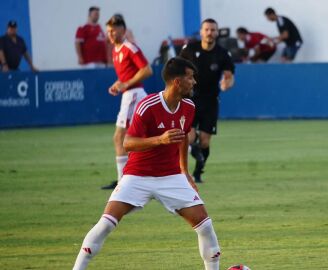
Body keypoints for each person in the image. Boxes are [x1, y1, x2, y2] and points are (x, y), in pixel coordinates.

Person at [73, 57, 222, 270]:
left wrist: (184, 172)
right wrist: (159, 140)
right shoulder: (148, 105)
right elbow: (128, 143)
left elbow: (181, 139)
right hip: (137, 175)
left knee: (205, 226)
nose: (194, 82)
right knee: (106, 224)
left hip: (171, 176)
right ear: (177, 81)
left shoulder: (188, 106)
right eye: (190, 78)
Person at [179, 18, 235, 183]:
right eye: (207, 29)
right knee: (188, 137)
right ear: (201, 31)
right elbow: (176, 70)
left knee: (204, 141)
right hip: (189, 100)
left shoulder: (222, 54)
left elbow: (229, 76)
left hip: (210, 101)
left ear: (217, 33)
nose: (210, 33)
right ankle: (183, 171)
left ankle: (198, 171)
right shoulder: (189, 49)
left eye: (213, 30)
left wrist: (227, 84)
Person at [100, 14, 153, 189]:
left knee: (119, 137)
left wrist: (126, 84)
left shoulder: (129, 47)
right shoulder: (116, 50)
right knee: (141, 137)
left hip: (134, 94)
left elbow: (147, 70)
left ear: (123, 30)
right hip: (129, 94)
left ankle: (123, 182)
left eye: (114, 30)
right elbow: (126, 76)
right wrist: (118, 84)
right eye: (108, 31)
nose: (111, 34)